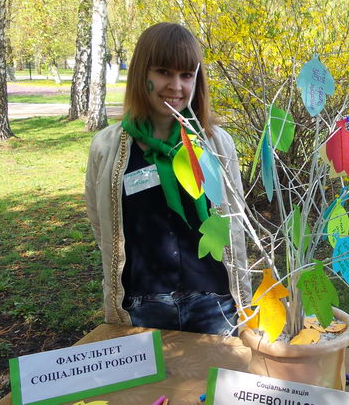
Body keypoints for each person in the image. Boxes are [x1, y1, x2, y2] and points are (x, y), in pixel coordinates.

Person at [85, 23, 251, 334]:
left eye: (186, 75)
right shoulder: (107, 148)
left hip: (213, 303)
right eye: (164, 72)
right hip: (143, 306)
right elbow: (100, 221)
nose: (176, 86)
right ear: (141, 75)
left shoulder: (216, 144)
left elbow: (234, 220)